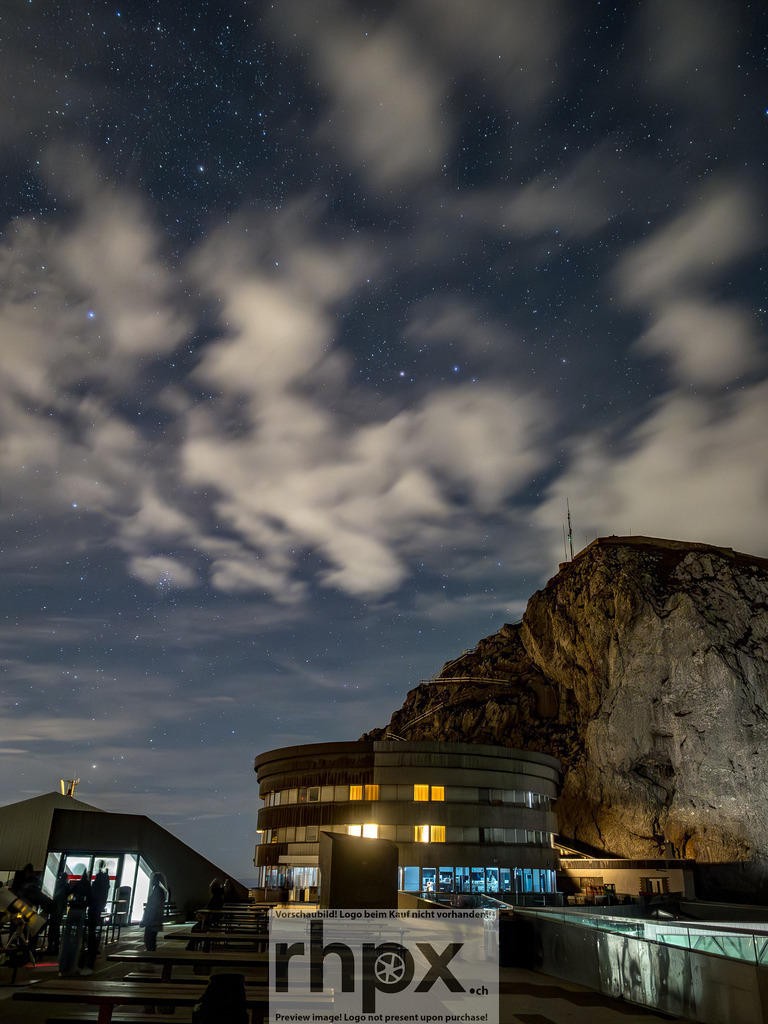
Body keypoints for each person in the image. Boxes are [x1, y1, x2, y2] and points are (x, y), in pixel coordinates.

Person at [59, 871, 90, 977]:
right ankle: (72, 964)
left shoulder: (77, 884)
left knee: (67, 936)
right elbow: (90, 899)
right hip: (81, 910)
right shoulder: (88, 886)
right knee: (78, 938)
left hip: (72, 909)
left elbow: (68, 893)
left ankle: (63, 965)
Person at [84, 861, 111, 969]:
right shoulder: (105, 878)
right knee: (93, 927)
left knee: (91, 927)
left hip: (94, 906)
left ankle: (91, 947)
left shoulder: (99, 879)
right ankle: (93, 947)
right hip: (99, 905)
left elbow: (94, 892)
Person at [46, 866, 72, 956]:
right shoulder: (66, 887)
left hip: (55, 908)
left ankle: (51, 946)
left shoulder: (58, 886)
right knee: (56, 928)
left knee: (52, 929)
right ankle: (55, 946)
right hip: (59, 909)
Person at [141, 872, 169, 951]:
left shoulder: (156, 891)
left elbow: (153, 907)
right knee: (151, 940)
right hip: (155, 920)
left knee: (149, 940)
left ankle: (151, 955)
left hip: (152, 921)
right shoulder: (160, 891)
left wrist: (146, 919)